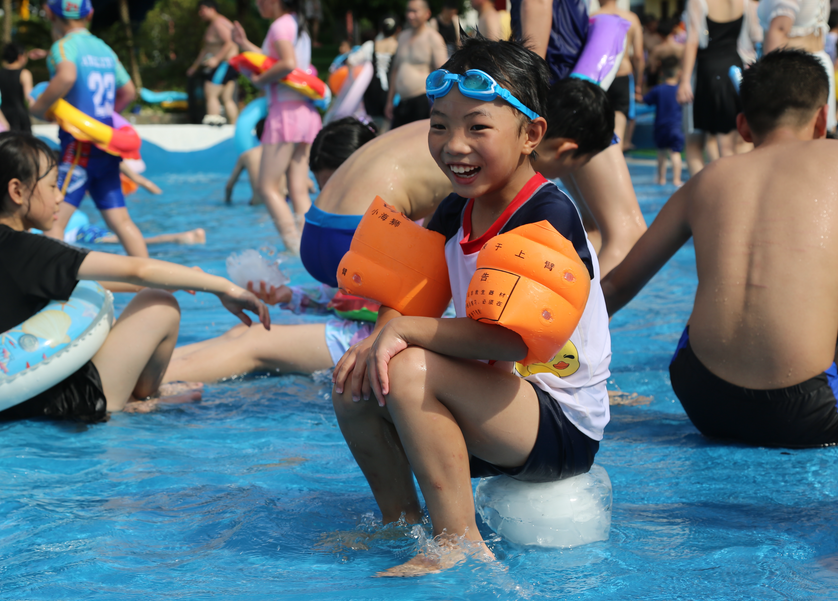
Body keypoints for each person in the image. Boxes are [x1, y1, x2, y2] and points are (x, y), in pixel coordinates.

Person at [165, 71, 614, 409]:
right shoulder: (486, 164)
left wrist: (299, 298)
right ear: (545, 140)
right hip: (356, 233)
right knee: (352, 344)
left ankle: (152, 372)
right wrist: (395, 328)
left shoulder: (447, 133)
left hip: (322, 231)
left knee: (259, 342)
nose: (457, 144)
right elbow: (425, 290)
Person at [330, 38, 609, 577]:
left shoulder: (547, 212)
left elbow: (511, 341)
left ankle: (458, 542)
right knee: (357, 375)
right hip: (491, 403)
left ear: (531, 134)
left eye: (477, 127)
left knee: (407, 368)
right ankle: (398, 520)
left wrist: (405, 334)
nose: (454, 145)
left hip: (559, 422)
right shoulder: (455, 210)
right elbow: (409, 299)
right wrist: (379, 338)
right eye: (439, 125)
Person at [602, 49, 838, 448]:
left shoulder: (706, 180)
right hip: (808, 411)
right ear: (823, 118)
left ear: (742, 126)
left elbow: (618, 285)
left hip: (703, 397)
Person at [0, 132, 268, 421]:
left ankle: (132, 396)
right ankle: (143, 399)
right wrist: (222, 288)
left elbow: (100, 279)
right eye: (52, 185)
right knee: (159, 302)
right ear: (17, 191)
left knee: (147, 293)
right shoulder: (27, 249)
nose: (61, 197)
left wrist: (185, 278)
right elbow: (137, 269)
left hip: (6, 400)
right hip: (63, 404)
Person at [515, 0, 648, 275]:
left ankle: (565, 309)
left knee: (593, 228)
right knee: (629, 234)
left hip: (562, 99)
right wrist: (534, 102)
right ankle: (580, 317)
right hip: (567, 106)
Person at [30, 0, 149, 259]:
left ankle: (54, 288)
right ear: (91, 14)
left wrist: (39, 109)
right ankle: (150, 280)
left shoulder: (63, 46)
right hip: (107, 146)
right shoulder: (104, 49)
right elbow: (129, 91)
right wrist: (103, 119)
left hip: (79, 148)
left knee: (54, 222)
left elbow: (67, 76)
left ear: (49, 12)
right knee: (121, 221)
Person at [232, 0, 321, 255]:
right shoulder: (295, 23)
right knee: (298, 187)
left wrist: (259, 80)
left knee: (268, 187)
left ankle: (293, 246)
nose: (257, 4)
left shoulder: (279, 25)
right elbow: (272, 59)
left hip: (285, 114)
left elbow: (286, 63)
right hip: (305, 112)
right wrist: (243, 43)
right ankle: (309, 246)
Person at [679, 0, 762, 161]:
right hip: (736, 70)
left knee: (695, 143)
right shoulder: (746, 3)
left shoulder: (698, 2)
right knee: (736, 138)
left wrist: (684, 80)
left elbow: (692, 41)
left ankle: (710, 185)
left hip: (708, 72)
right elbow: (756, 37)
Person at [759, 0, 835, 132]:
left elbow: (779, 30)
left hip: (795, 71)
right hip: (810, 66)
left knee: (787, 135)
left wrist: (768, 78)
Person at [385, 0, 448, 129]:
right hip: (402, 101)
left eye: (415, 11)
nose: (410, 15)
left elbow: (443, 74)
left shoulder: (433, 38)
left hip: (422, 101)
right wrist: (389, 101)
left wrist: (439, 104)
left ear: (427, 13)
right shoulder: (402, 37)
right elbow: (395, 70)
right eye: (408, 11)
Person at [593, 0, 644, 142]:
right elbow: (639, 56)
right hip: (622, 73)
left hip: (599, 76)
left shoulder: (593, 16)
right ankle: (617, 152)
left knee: (598, 119)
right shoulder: (632, 18)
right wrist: (639, 83)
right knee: (619, 119)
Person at [188, 0, 239, 126]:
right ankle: (235, 128)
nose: (201, 13)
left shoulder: (218, 23)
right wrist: (195, 66)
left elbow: (230, 42)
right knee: (227, 98)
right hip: (229, 66)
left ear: (212, 9)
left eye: (203, 9)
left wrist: (216, 59)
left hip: (224, 64)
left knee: (210, 93)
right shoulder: (215, 24)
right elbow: (206, 49)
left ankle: (213, 124)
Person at [644, 56, 684, 185]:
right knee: (675, 153)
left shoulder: (658, 89)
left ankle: (661, 178)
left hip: (660, 127)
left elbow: (646, 100)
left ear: (662, 73)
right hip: (676, 127)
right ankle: (676, 179)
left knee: (661, 153)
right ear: (679, 73)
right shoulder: (681, 90)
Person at [363, 14, 400, 132]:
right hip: (393, 92)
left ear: (380, 29)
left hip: (372, 92)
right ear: (398, 29)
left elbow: (352, 60)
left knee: (374, 128)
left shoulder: (370, 46)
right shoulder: (400, 46)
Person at [0, 43, 34, 133]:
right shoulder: (24, 73)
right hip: (19, 116)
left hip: (2, 114)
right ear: (20, 56)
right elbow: (29, 97)